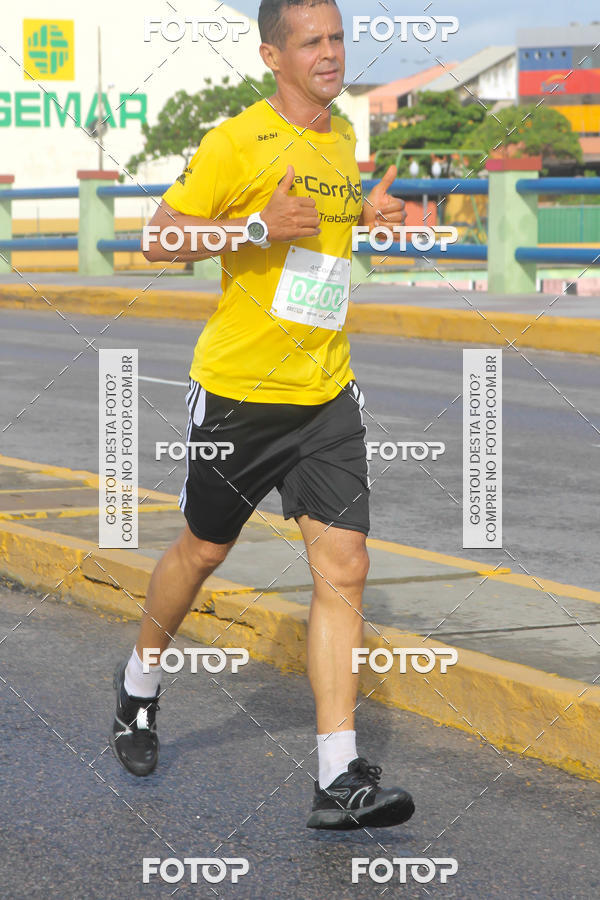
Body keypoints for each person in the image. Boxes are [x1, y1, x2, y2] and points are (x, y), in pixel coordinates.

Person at [110, 0, 415, 830]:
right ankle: (139, 681)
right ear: (272, 56)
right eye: (310, 41)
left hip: (325, 395)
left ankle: (336, 776)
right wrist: (251, 223)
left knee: (343, 568)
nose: (329, 53)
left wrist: (369, 217)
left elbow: (320, 242)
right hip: (240, 395)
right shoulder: (236, 140)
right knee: (203, 551)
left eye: (338, 38)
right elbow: (155, 238)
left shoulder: (342, 138)